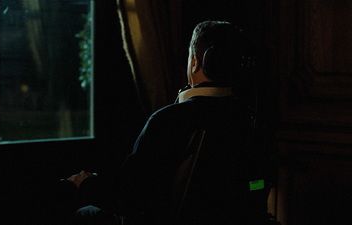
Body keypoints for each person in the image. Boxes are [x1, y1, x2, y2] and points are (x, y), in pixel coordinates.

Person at [66, 20, 274, 225]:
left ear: (195, 62)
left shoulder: (168, 120)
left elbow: (128, 198)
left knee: (85, 214)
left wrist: (85, 183)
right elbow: (256, 187)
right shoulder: (251, 122)